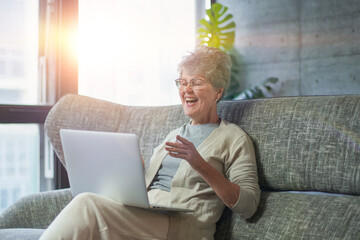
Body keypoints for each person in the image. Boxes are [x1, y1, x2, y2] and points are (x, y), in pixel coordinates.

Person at [40, 45, 260, 240]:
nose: (186, 90)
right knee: (88, 207)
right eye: (182, 82)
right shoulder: (173, 135)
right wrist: (135, 174)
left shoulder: (234, 138)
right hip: (146, 213)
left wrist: (199, 163)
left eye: (197, 82)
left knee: (87, 205)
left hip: (183, 227)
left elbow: (248, 205)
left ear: (218, 91)